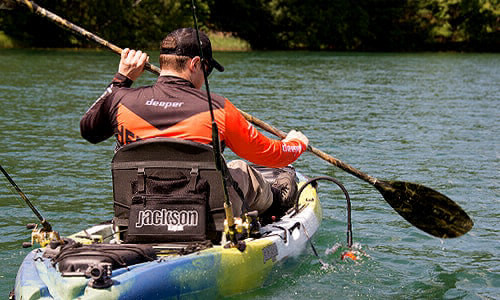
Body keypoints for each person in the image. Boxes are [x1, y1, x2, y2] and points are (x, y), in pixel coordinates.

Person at [80, 27, 309, 218]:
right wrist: (296, 143)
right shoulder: (218, 109)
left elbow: (89, 129)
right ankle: (277, 204)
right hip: (206, 217)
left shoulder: (121, 101)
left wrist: (122, 78)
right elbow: (270, 155)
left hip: (140, 214)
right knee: (241, 170)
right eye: (207, 69)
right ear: (195, 63)